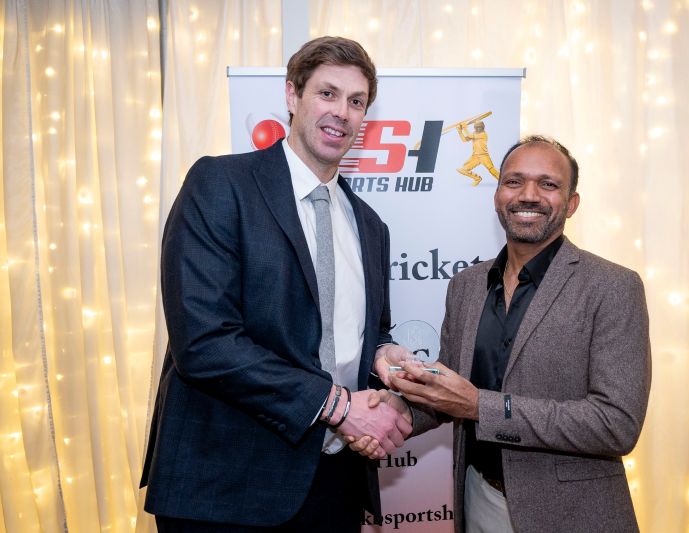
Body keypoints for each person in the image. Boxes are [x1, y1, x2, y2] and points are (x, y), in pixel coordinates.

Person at [140, 36, 413, 532]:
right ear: (292, 94)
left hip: (336, 481)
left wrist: (382, 353)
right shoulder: (221, 184)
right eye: (327, 93)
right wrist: (337, 405)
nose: (342, 112)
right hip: (225, 486)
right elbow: (203, 342)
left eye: (356, 102)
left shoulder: (371, 226)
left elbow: (366, 329)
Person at [355, 135, 652, 532]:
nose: (528, 195)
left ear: (572, 203)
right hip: (477, 496)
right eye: (514, 181)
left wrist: (482, 406)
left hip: (571, 514)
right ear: (497, 196)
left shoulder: (613, 286)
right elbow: (450, 391)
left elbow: (616, 424)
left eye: (548, 184)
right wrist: (398, 411)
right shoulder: (466, 285)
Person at [456, 120, 501, 186]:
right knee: (463, 170)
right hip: (475, 157)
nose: (478, 128)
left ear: (483, 127)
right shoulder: (474, 134)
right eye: (477, 127)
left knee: (492, 169)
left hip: (484, 156)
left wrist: (464, 127)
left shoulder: (483, 134)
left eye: (480, 127)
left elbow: (469, 135)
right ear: (474, 127)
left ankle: (502, 181)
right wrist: (459, 131)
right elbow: (464, 140)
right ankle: (477, 178)